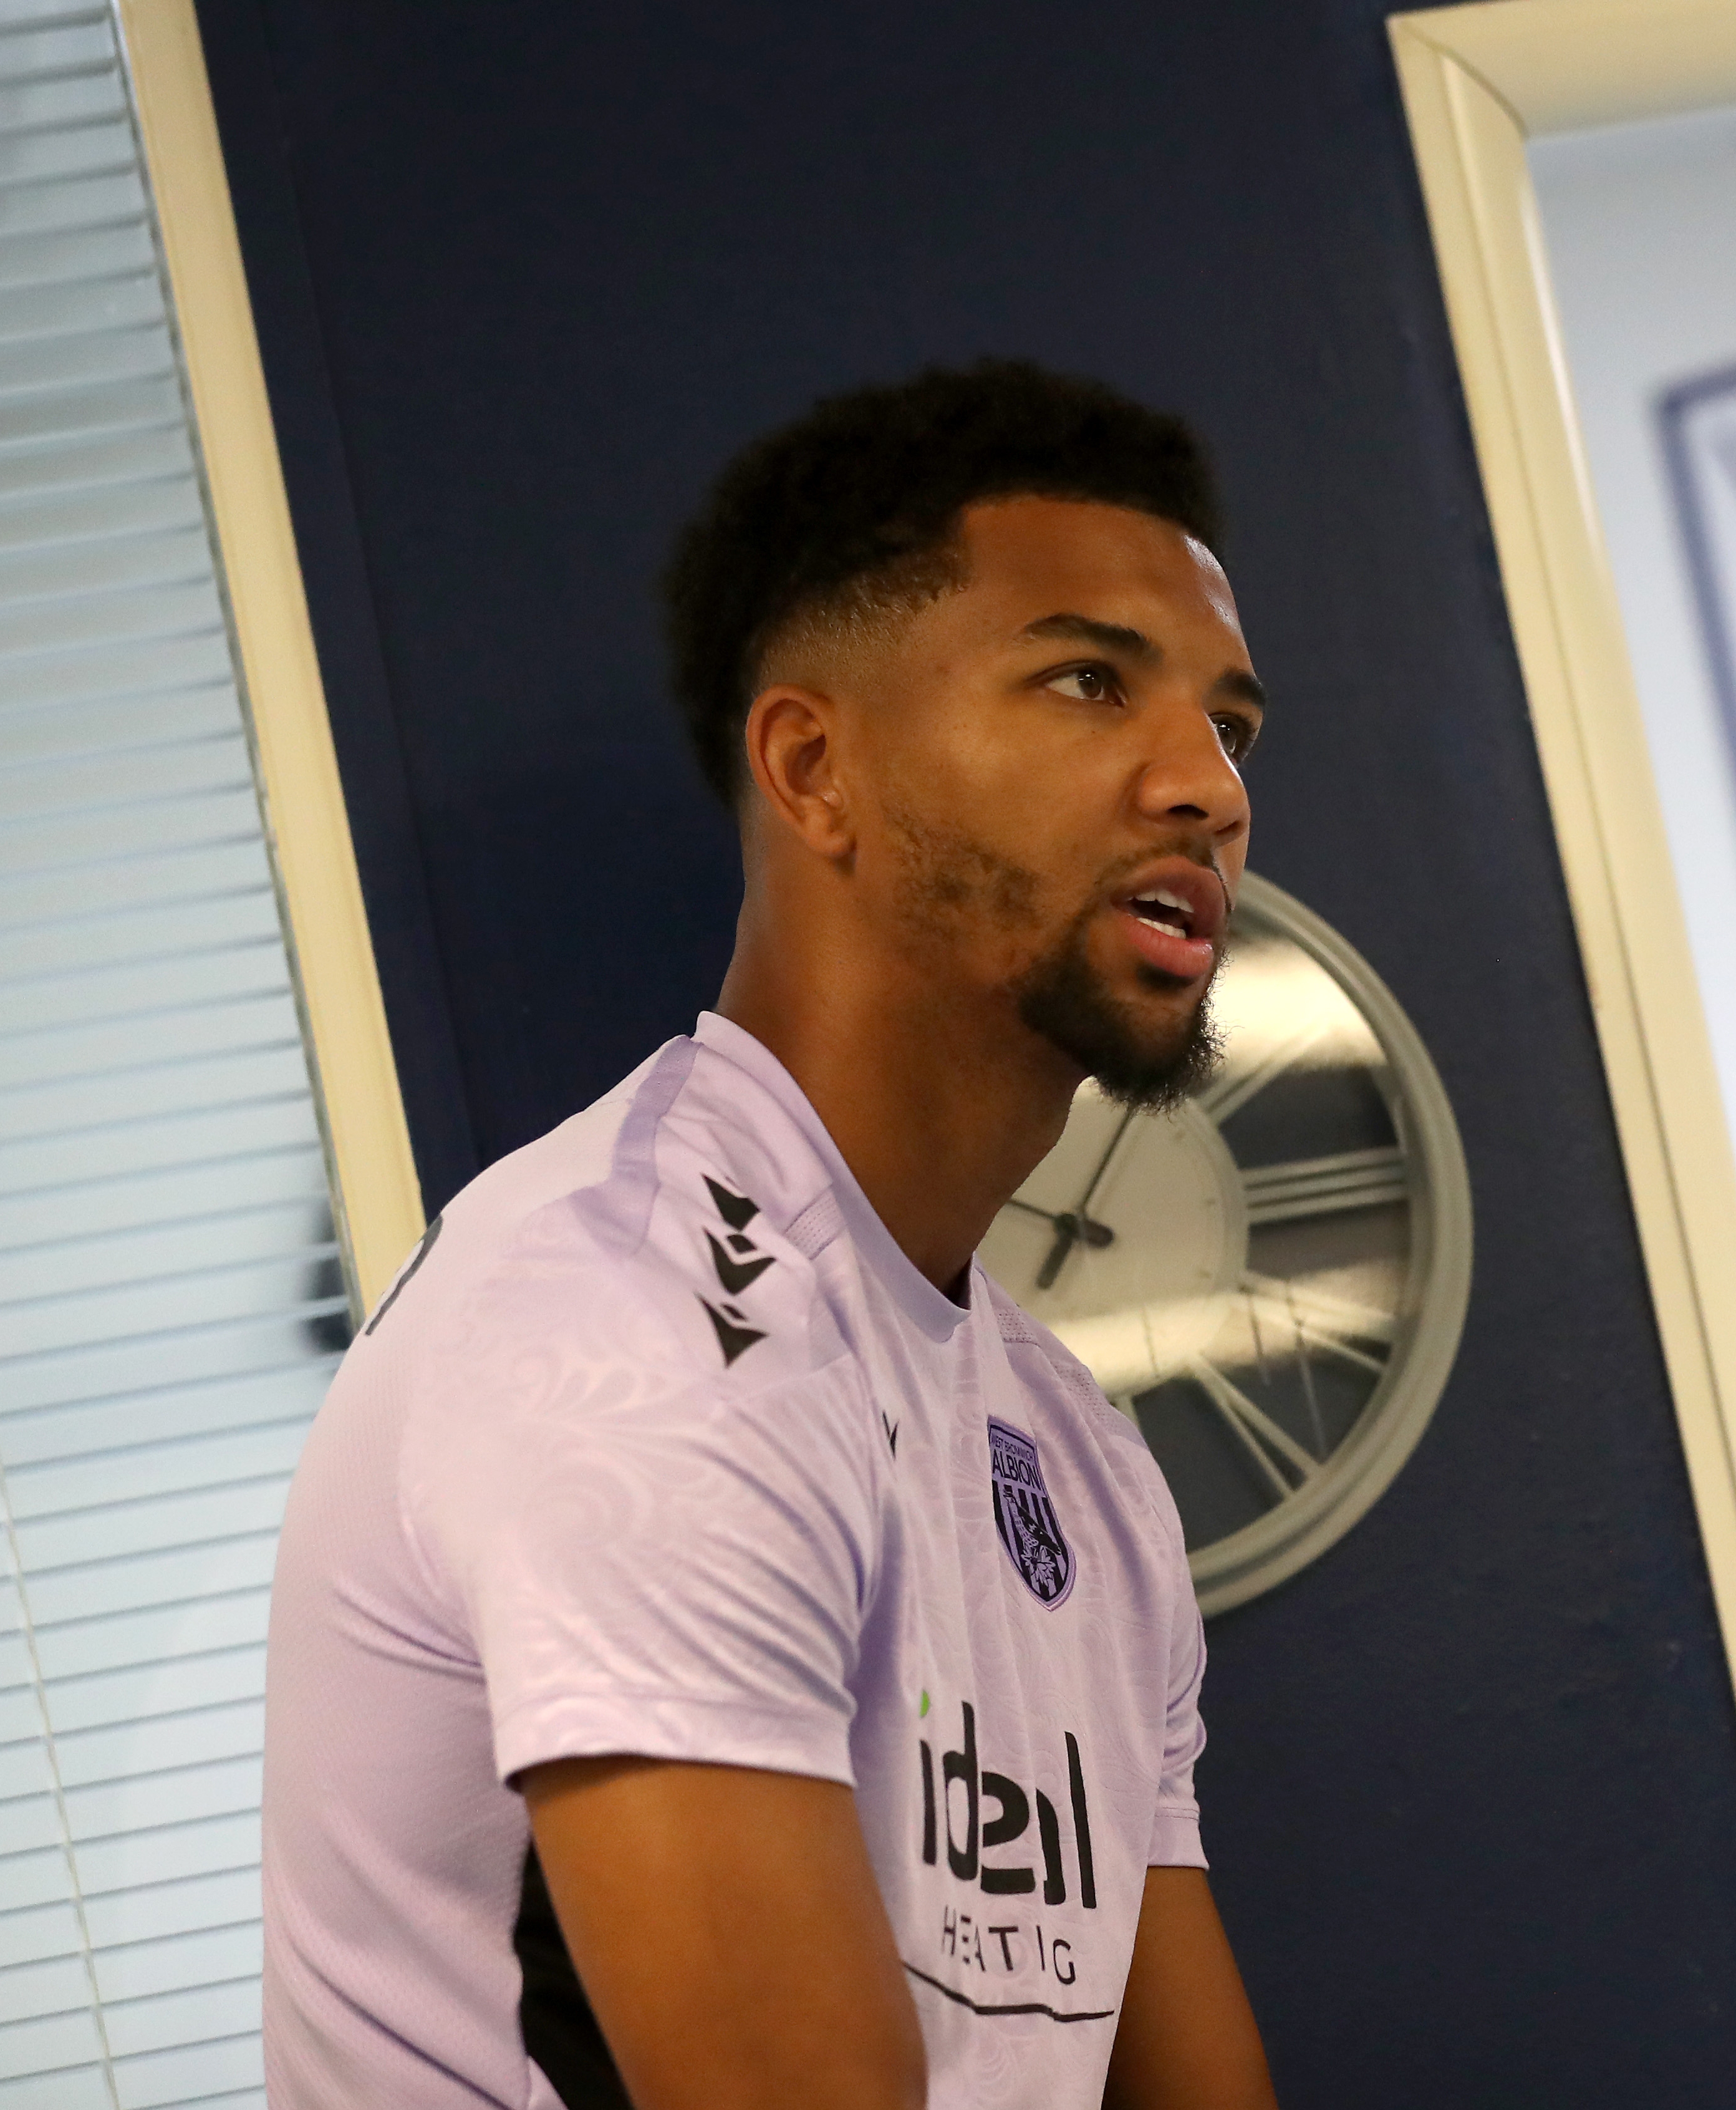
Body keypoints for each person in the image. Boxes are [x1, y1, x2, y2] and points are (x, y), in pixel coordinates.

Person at [262, 362, 1280, 2110]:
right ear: (815, 771)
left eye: (1230, 726)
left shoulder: (1076, 1458)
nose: (1202, 785)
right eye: (1087, 681)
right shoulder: (626, 1324)